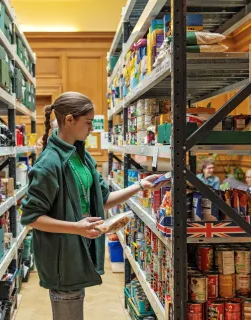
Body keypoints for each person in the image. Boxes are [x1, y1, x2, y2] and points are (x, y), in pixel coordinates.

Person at [20, 92, 167, 320]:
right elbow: (31, 217)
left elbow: (103, 199)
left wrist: (140, 185)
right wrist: (76, 227)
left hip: (79, 252)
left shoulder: (82, 156)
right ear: (69, 120)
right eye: (88, 123)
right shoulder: (49, 164)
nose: (91, 128)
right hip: (62, 258)